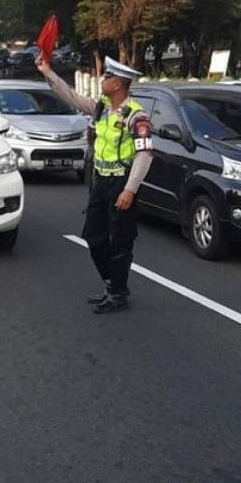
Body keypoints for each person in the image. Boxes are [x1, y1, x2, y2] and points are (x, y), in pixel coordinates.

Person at [36, 53, 152, 313]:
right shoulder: (101, 107)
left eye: (108, 76)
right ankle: (112, 284)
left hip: (121, 183)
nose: (103, 79)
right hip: (100, 183)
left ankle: (118, 292)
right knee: (93, 235)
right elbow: (71, 97)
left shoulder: (137, 116)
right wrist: (47, 72)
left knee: (120, 241)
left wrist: (130, 190)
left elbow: (145, 155)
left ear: (119, 84)